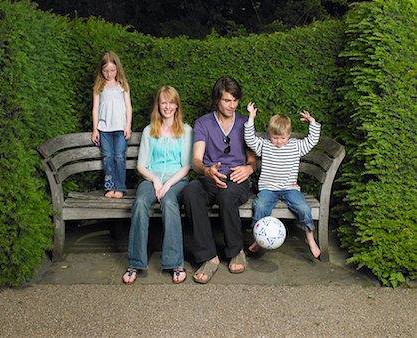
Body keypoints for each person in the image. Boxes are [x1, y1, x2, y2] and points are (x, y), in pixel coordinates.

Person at [182, 77, 256, 284]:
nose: (232, 106)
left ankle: (236, 251)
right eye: (226, 101)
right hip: (210, 178)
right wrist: (206, 170)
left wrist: (249, 168)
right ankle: (208, 257)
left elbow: (252, 160)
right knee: (190, 192)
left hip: (236, 179)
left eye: (235, 101)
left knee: (227, 195)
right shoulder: (203, 123)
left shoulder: (244, 122)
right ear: (217, 100)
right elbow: (196, 160)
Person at [122, 86, 193, 285]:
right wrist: (155, 181)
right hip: (151, 178)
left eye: (171, 102)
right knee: (140, 203)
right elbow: (141, 165)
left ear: (177, 105)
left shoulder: (186, 131)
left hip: (176, 179)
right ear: (158, 105)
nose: (167, 107)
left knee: (169, 203)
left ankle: (174, 262)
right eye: (163, 102)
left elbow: (186, 166)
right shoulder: (149, 130)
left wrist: (167, 184)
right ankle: (135, 262)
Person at [244, 102, 321, 258]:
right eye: (275, 137)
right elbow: (250, 139)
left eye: (282, 138)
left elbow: (312, 140)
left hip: (290, 188)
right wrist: (251, 118)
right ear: (269, 134)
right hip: (268, 189)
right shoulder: (265, 146)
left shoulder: (296, 146)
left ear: (289, 134)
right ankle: (258, 239)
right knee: (260, 205)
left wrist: (312, 122)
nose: (278, 141)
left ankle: (310, 237)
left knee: (304, 208)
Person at [91, 51, 132, 198]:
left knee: (119, 156)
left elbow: (128, 107)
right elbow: (95, 109)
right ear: (101, 70)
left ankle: (120, 187)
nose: (109, 74)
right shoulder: (99, 87)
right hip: (104, 129)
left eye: (112, 70)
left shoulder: (122, 85)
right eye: (106, 71)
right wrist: (95, 129)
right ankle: (109, 187)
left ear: (117, 69)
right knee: (107, 156)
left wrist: (128, 126)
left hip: (120, 128)